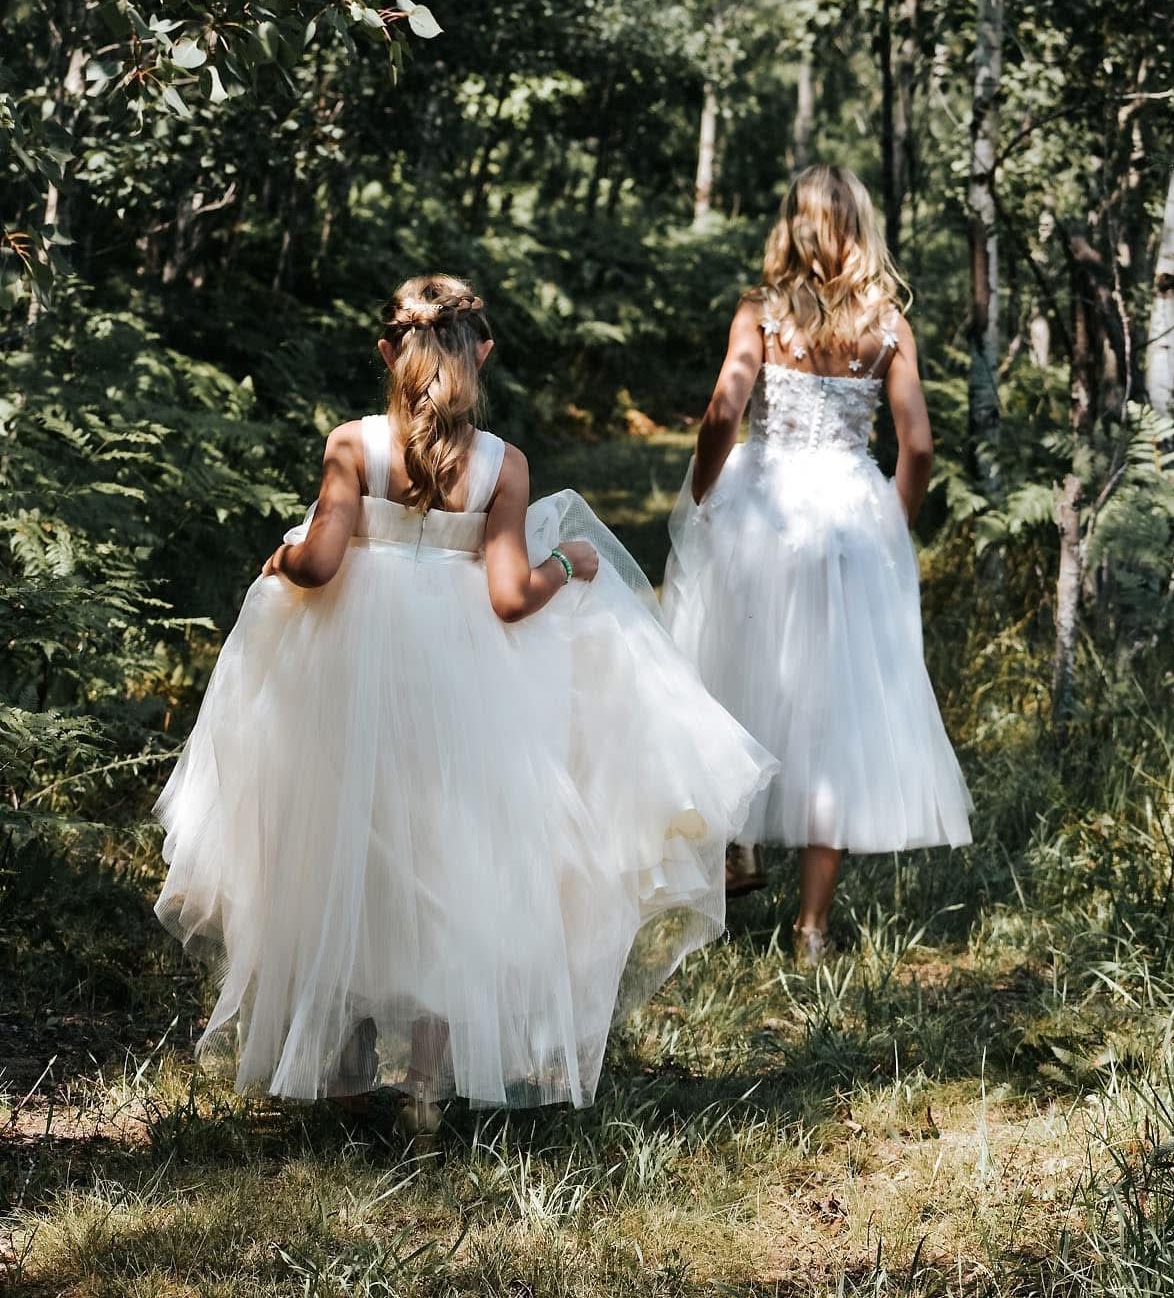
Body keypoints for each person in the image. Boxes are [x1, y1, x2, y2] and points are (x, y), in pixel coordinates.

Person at [155, 275, 775, 1135]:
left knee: (353, 847)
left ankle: (343, 1073)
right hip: (463, 675)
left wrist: (282, 560)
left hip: (350, 666)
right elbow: (512, 598)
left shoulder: (351, 445)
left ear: (388, 353)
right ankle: (427, 1086)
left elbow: (323, 564)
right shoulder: (500, 465)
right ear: (480, 355)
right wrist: (572, 567)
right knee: (450, 860)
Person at [664, 165, 972, 961]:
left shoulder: (760, 314)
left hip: (763, 504)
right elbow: (919, 444)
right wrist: (891, 529)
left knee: (734, 675)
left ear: (790, 225)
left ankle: (739, 849)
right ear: (860, 227)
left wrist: (702, 492)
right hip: (848, 516)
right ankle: (810, 930)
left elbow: (723, 410)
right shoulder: (888, 325)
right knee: (831, 712)